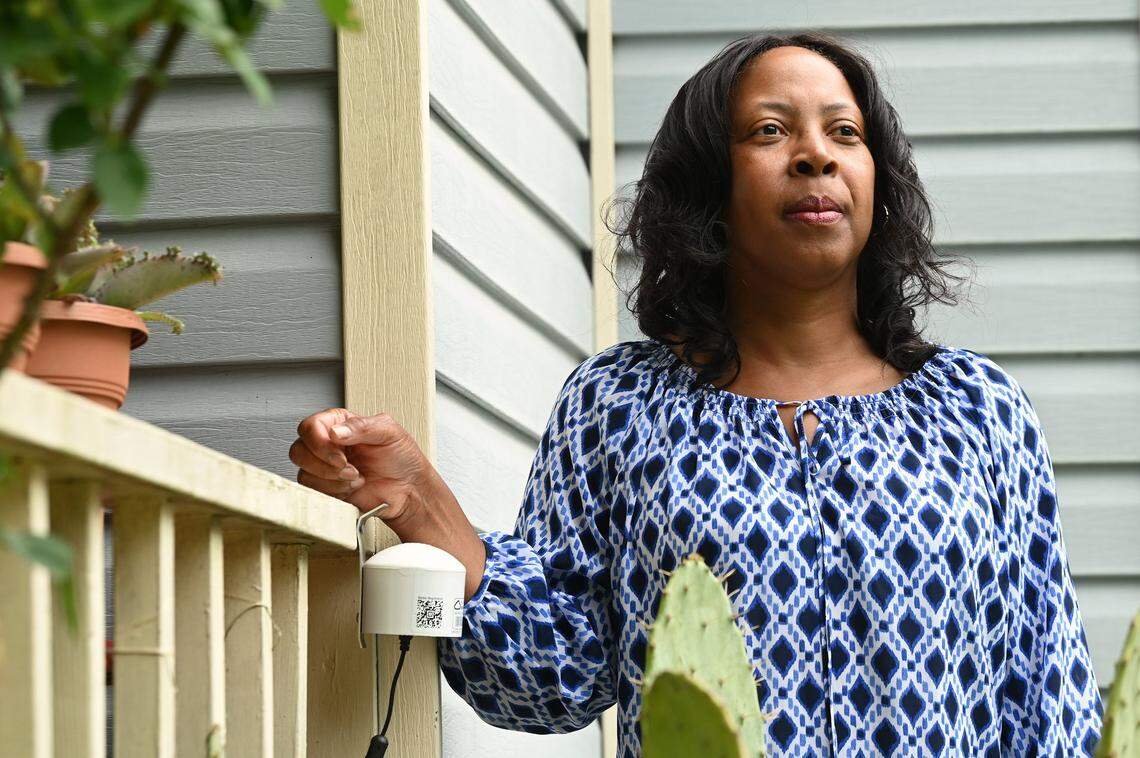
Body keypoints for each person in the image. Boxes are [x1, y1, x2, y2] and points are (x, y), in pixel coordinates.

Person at [290, 30, 1104, 757]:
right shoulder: (620, 404)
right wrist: (416, 498)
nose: (815, 155)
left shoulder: (974, 409)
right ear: (709, 187)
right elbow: (551, 678)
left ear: (878, 181)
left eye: (844, 133)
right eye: (770, 131)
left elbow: (1048, 690)